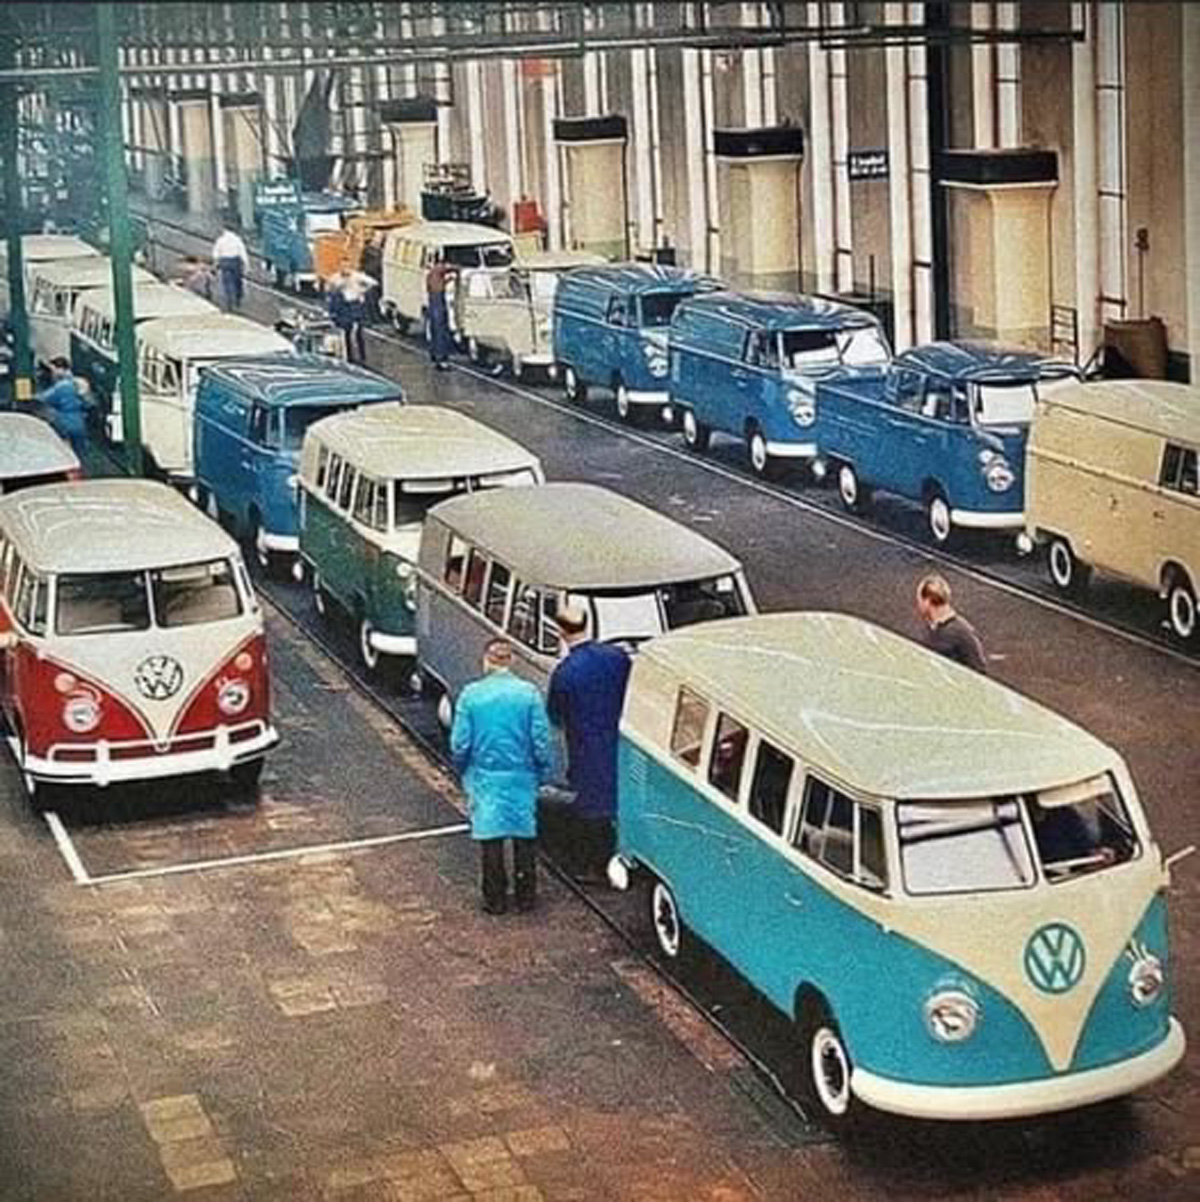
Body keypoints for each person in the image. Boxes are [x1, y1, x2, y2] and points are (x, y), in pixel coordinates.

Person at [451, 639, 553, 915]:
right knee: (524, 834)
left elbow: (460, 743)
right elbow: (541, 739)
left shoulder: (471, 695)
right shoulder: (528, 694)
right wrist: (542, 769)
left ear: (487, 660)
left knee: (490, 835)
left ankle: (494, 898)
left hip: (484, 774)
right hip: (521, 774)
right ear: (511, 661)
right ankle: (526, 896)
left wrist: (461, 768)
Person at [546, 600, 632, 879]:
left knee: (591, 799)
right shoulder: (617, 657)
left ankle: (594, 864)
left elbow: (556, 714)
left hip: (585, 741)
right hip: (619, 735)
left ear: (561, 631)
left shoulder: (566, 672)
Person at [915, 573, 988, 674]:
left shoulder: (962, 632)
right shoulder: (931, 628)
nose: (918, 605)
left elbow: (979, 669)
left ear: (927, 601)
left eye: (919, 600)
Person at [37, 357, 92, 461]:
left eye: (53, 370)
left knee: (64, 453)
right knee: (81, 454)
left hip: (64, 421)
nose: (52, 373)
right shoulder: (78, 383)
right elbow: (88, 403)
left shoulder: (61, 386)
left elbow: (44, 398)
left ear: (60, 369)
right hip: (79, 422)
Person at [327, 264, 370, 365]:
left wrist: (362, 291)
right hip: (344, 309)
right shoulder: (335, 279)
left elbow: (372, 283)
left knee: (358, 334)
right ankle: (349, 356)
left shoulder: (356, 277)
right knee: (346, 334)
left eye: (347, 267)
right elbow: (331, 293)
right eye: (343, 267)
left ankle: (362, 356)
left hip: (354, 307)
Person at [424, 251, 457, 370]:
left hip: (433, 298)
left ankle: (435, 355)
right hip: (437, 299)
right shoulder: (438, 270)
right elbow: (448, 269)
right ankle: (441, 358)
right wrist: (457, 268)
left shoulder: (431, 274)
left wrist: (447, 280)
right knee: (440, 329)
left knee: (436, 328)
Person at [211, 225, 249, 312]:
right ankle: (237, 298)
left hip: (224, 262)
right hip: (235, 262)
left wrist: (215, 265)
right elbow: (243, 252)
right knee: (237, 281)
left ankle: (229, 301)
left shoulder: (220, 240)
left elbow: (216, 254)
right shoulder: (237, 239)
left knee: (227, 282)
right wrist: (246, 265)